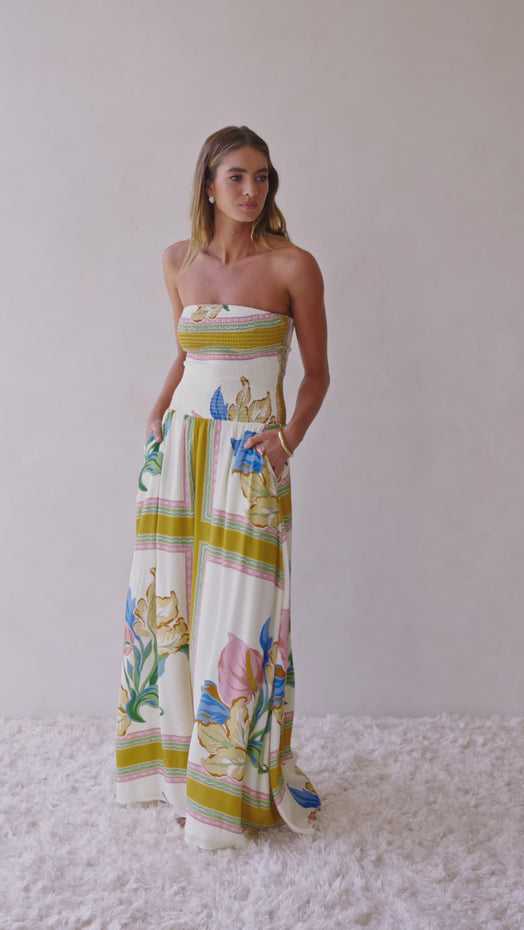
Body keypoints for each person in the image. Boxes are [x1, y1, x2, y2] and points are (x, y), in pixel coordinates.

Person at [115, 125, 330, 850]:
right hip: (179, 452)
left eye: (262, 177)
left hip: (248, 462)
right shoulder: (177, 261)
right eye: (237, 176)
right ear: (208, 184)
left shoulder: (293, 265)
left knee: (241, 619)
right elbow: (187, 353)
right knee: (170, 611)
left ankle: (228, 786)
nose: (252, 190)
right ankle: (180, 779)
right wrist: (155, 411)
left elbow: (318, 373)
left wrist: (287, 440)